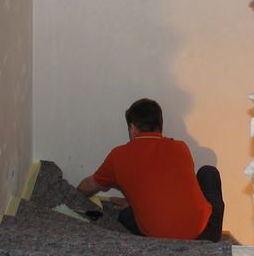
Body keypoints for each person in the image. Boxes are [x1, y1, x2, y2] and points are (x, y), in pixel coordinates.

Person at [77, 98, 224, 242]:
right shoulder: (181, 147)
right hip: (205, 234)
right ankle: (211, 237)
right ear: (160, 126)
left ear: (133, 129)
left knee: (124, 216)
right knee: (208, 172)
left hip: (161, 239)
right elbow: (167, 187)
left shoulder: (118, 156)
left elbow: (90, 185)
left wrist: (73, 196)